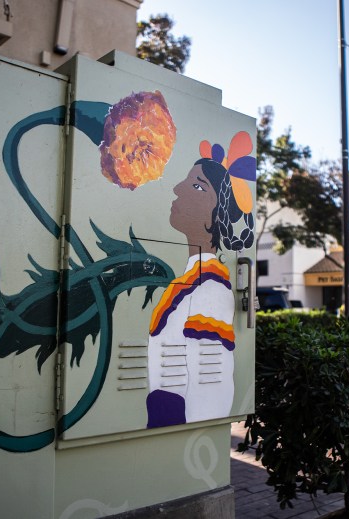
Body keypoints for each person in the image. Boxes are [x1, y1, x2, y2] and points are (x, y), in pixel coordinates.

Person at [146, 131, 256, 428]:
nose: (178, 189)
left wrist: (194, 444)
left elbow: (212, 392)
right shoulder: (193, 279)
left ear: (217, 214)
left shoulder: (210, 289)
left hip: (174, 433)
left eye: (197, 186)